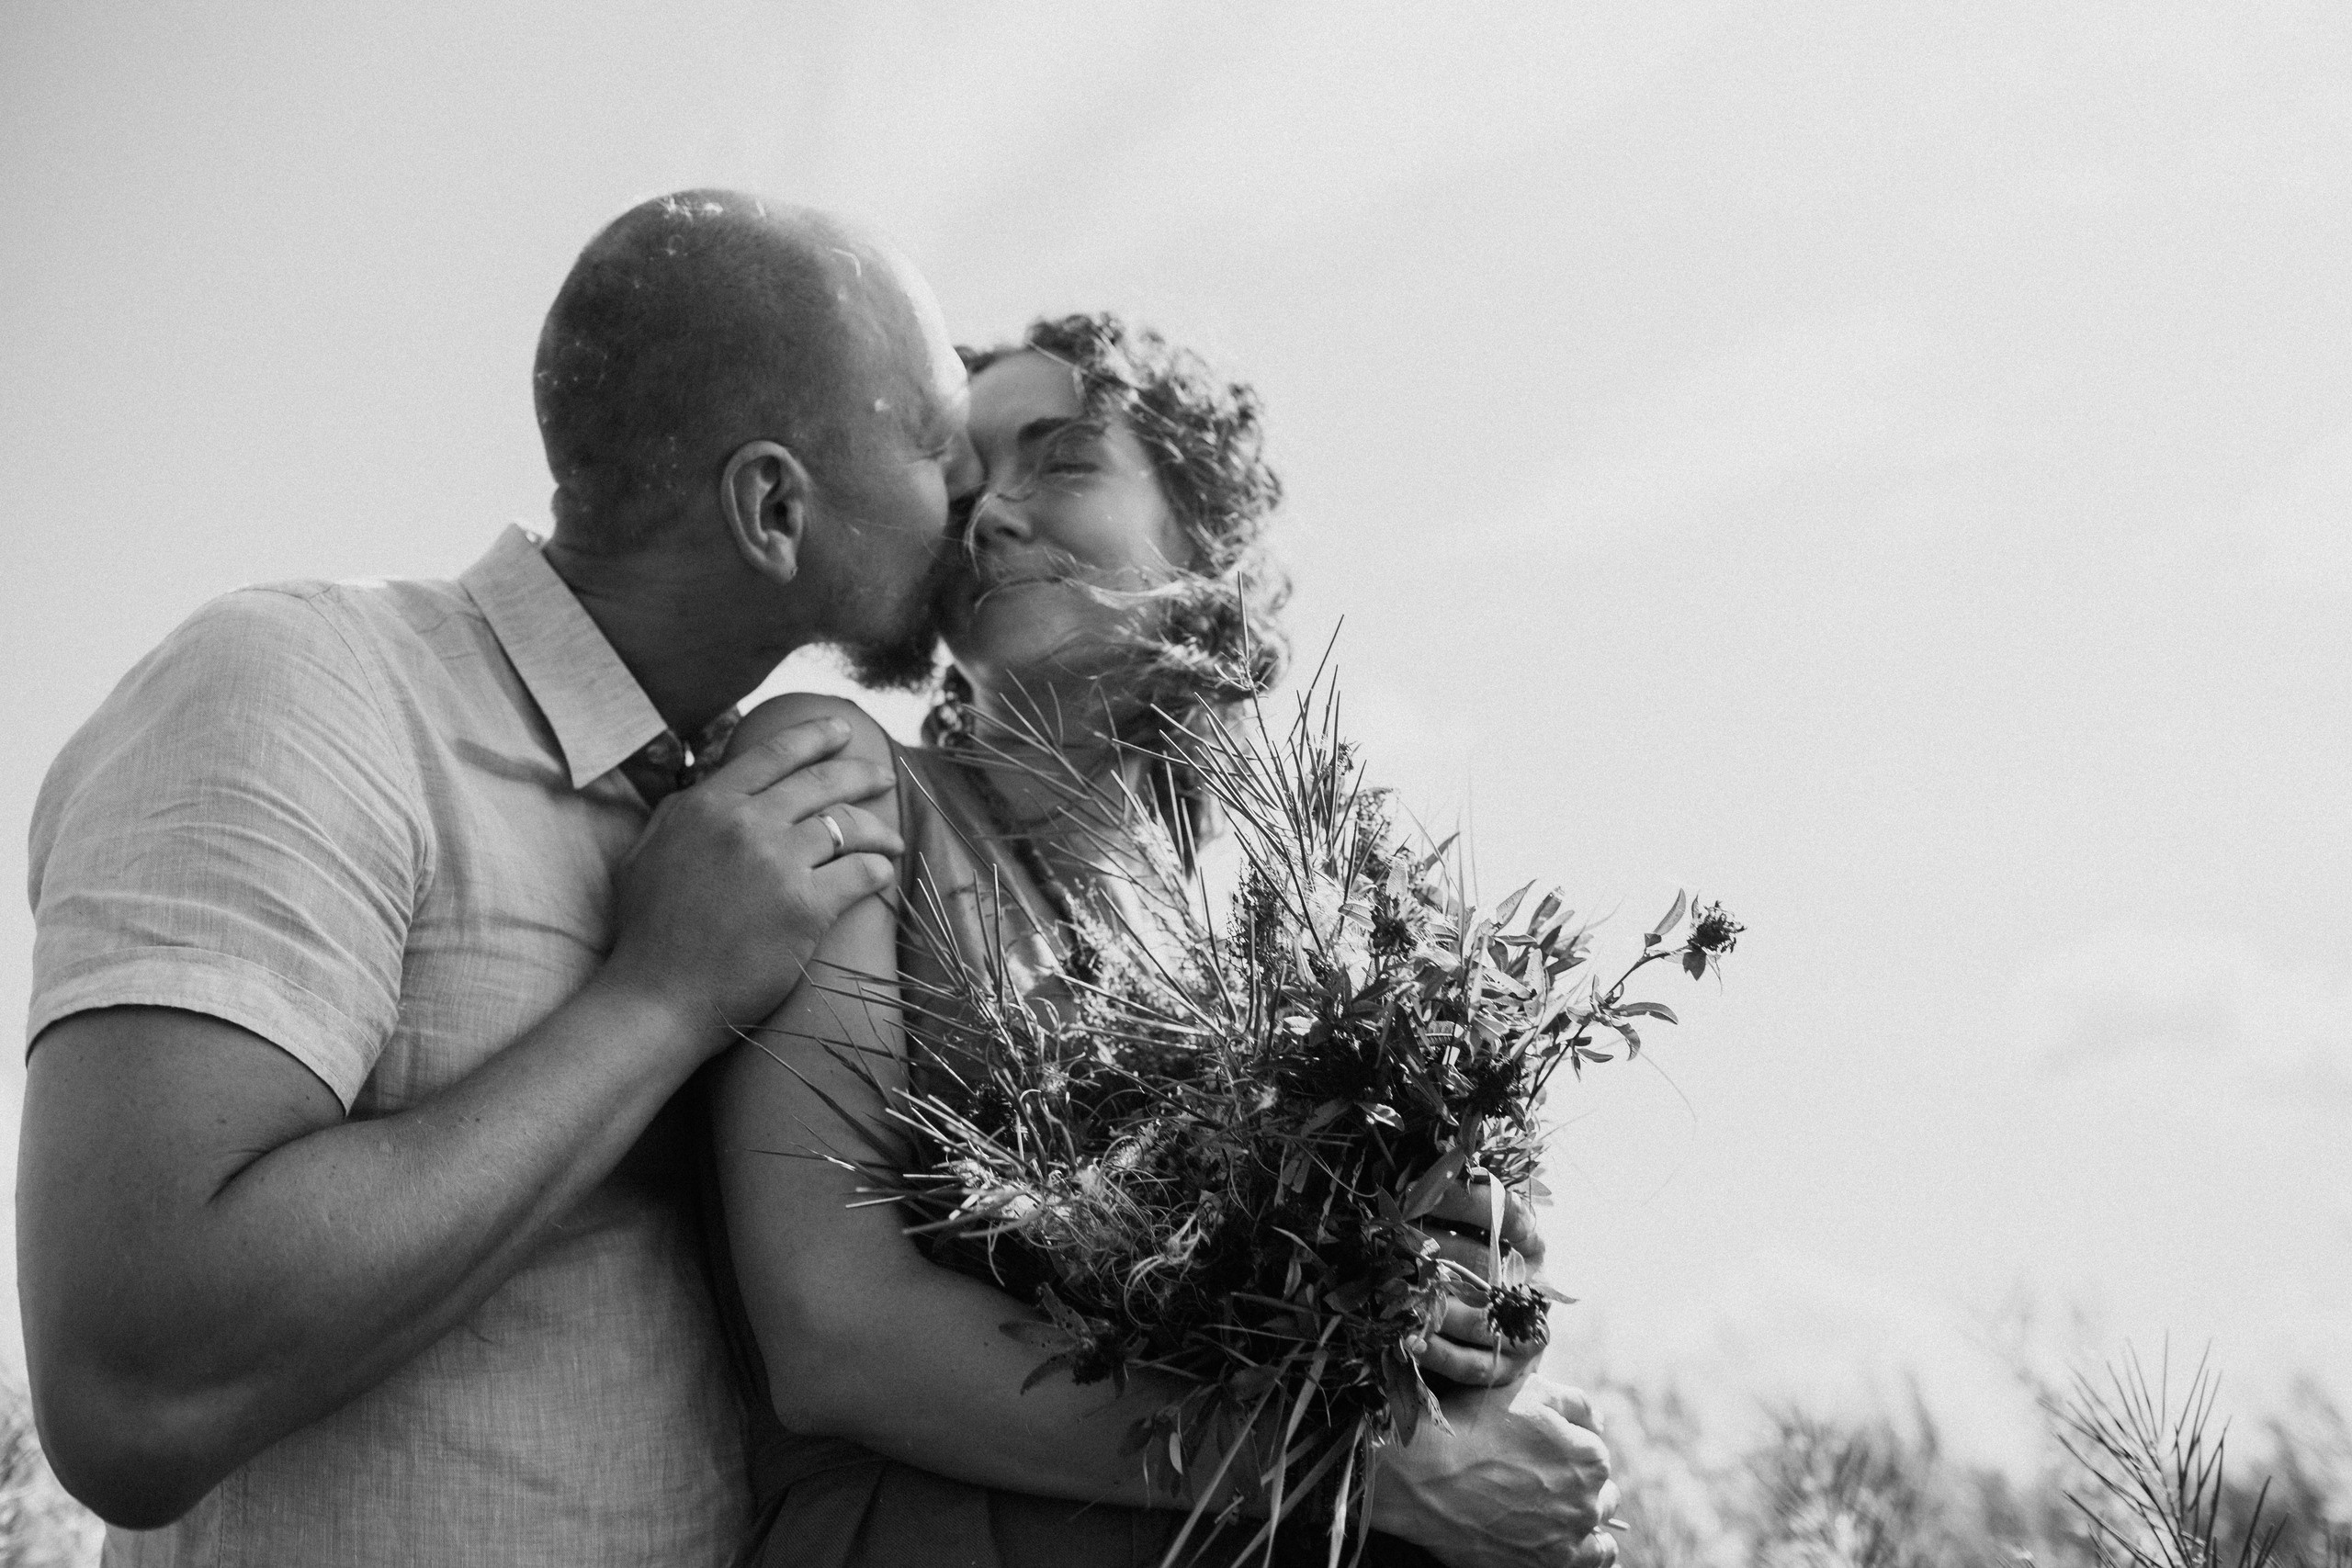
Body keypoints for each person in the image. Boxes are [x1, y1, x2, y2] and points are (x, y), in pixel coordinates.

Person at [17, 191, 976, 1564]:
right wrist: (657, 1003)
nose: (971, 493)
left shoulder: (747, 818)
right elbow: (131, 1382)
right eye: (938, 444)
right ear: (775, 505)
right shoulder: (302, 689)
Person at [709, 314, 1621, 1567]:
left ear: (1200, 524)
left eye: (1063, 461)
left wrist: (1469, 1316)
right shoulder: (845, 779)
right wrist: (1351, 1475)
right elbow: (833, 1332)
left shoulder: (1307, 929)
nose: (989, 515)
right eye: (964, 483)